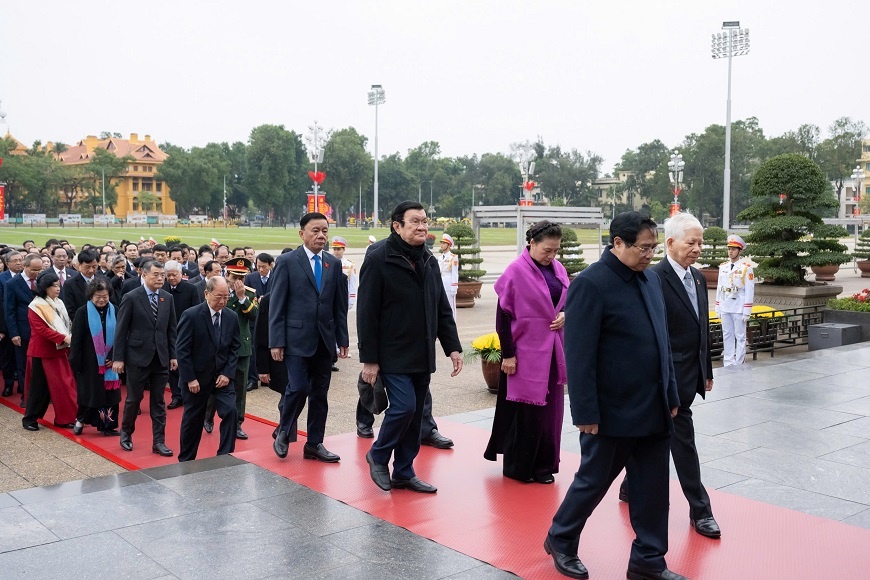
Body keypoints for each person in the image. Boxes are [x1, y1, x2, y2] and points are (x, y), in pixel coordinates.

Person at [545, 211, 684, 580]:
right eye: (643, 247)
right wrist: (585, 411)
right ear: (617, 243)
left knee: (653, 490)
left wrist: (670, 393)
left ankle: (649, 561)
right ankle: (561, 539)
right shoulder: (592, 284)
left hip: (653, 407)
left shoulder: (649, 280)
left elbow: (661, 341)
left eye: (653, 247)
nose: (649, 254)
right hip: (611, 410)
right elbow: (579, 353)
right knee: (593, 482)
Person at [619, 212, 718, 538]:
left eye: (700, 242)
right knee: (683, 443)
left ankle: (628, 486)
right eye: (692, 242)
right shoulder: (653, 278)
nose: (698, 248)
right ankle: (700, 510)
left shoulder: (700, 278)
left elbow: (700, 329)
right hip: (663, 381)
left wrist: (706, 370)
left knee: (649, 435)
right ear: (670, 242)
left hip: (689, 376)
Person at [358, 201, 463, 494]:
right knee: (404, 407)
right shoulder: (379, 258)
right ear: (397, 226)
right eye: (415, 222)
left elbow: (441, 306)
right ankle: (378, 454)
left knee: (416, 416)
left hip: (421, 352)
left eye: (425, 222)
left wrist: (452, 346)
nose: (422, 227)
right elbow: (366, 312)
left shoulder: (427, 259)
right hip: (391, 352)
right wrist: (369, 359)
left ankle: (404, 471)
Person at [485, 221, 568, 485]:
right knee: (525, 415)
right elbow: (503, 317)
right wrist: (508, 355)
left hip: (552, 353)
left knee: (551, 415)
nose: (551, 255)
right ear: (531, 243)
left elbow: (568, 301)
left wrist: (567, 314)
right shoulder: (515, 271)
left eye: (556, 250)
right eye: (547, 250)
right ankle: (519, 467)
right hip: (523, 355)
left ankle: (544, 466)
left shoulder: (558, 269)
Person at [270, 212, 349, 463]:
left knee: (320, 394)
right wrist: (276, 341)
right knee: (298, 387)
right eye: (315, 230)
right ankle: (284, 429)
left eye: (324, 230)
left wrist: (342, 338)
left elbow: (339, 306)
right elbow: (277, 304)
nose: (321, 235)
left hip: (324, 340)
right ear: (302, 233)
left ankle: (314, 443)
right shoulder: (287, 261)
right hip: (295, 339)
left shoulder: (333, 264)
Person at [113, 259, 178, 457]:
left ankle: (159, 441)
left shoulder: (167, 297)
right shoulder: (132, 297)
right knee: (134, 399)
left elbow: (171, 329)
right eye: (156, 275)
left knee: (158, 401)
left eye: (162, 276)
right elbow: (121, 329)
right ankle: (126, 433)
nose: (160, 279)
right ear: (144, 275)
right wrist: (118, 358)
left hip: (160, 357)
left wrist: (173, 355)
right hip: (137, 357)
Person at [177, 277, 242, 461]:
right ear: (206, 294)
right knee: (193, 420)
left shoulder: (231, 316)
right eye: (218, 297)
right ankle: (186, 460)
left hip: (222, 377)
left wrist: (227, 373)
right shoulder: (191, 315)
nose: (222, 301)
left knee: (230, 412)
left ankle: (225, 456)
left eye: (226, 297)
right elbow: (182, 349)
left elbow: (235, 348)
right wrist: (190, 378)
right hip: (196, 379)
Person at [205, 258, 257, 439]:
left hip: (241, 346)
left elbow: (254, 315)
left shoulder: (248, 294)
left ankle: (237, 424)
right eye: (235, 276)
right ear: (227, 275)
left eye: (242, 277)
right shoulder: (219, 292)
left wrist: (242, 297)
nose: (238, 281)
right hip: (219, 346)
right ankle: (208, 416)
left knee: (240, 389)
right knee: (215, 384)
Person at [21, 271, 78, 430]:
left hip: (58, 350)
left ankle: (64, 418)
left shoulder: (58, 302)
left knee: (64, 386)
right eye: (54, 286)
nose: (57, 288)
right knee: (39, 388)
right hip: (42, 352)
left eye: (58, 285)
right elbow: (41, 330)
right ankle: (30, 419)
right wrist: (64, 338)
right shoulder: (36, 305)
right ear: (45, 287)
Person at [69, 279, 122, 436]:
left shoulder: (116, 310)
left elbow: (121, 336)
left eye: (105, 296)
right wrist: (76, 364)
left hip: (111, 363)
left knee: (110, 396)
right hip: (90, 362)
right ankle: (80, 420)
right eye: (98, 296)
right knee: (89, 394)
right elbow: (76, 341)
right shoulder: (82, 312)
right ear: (91, 296)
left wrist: (115, 355)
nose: (101, 300)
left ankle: (107, 426)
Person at [5, 254, 44, 405]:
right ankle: (26, 397)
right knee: (23, 365)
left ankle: (41, 395)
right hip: (22, 331)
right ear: (25, 266)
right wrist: (14, 333)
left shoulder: (42, 280)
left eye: (39, 270)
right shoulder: (12, 283)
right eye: (34, 270)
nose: (37, 273)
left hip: (41, 330)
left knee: (39, 365)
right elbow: (9, 310)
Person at [164, 260, 203, 409]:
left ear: (181, 274)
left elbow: (196, 311)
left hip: (186, 331)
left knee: (186, 363)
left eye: (175, 275)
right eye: (169, 275)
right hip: (168, 332)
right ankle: (176, 396)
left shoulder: (190, 289)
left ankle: (188, 395)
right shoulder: (163, 288)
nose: (172, 278)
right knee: (172, 366)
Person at [715, 234, 755, 366]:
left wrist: (747, 311)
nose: (730, 251)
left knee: (740, 336)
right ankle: (728, 362)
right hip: (726, 305)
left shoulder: (746, 268)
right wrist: (718, 306)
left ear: (740, 250)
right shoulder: (723, 267)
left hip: (739, 306)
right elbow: (720, 287)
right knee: (727, 335)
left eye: (733, 249)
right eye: (729, 249)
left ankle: (739, 362)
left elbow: (749, 290)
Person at [438, 233, 459, 319]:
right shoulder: (440, 258)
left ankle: (453, 322)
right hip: (441, 281)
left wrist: (454, 287)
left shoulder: (453, 257)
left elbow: (455, 273)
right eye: (441, 243)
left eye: (444, 243)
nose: (442, 245)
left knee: (451, 305)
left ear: (448, 245)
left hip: (449, 282)